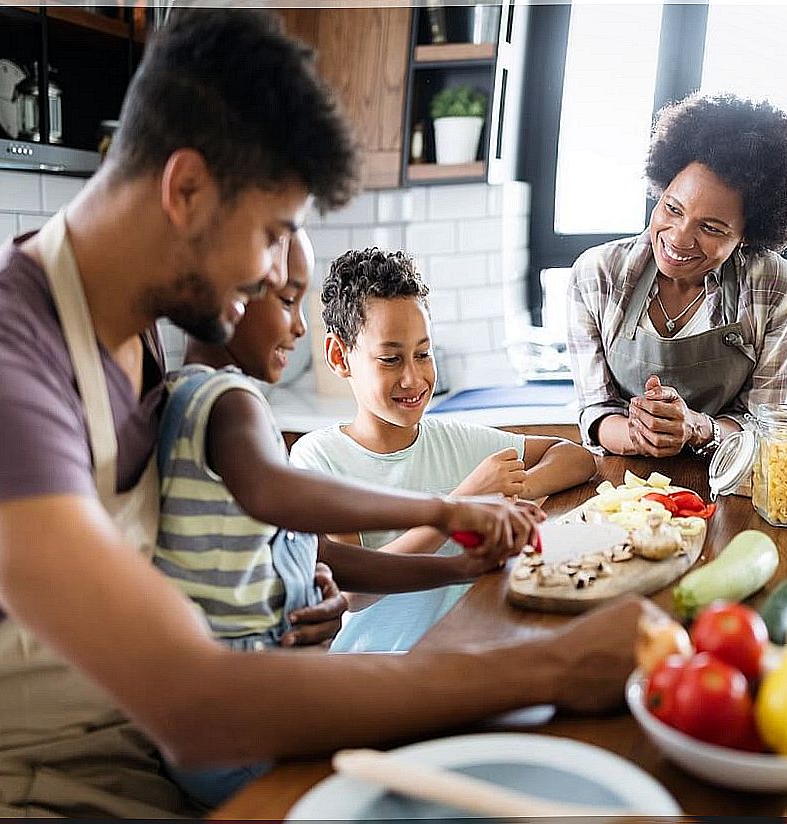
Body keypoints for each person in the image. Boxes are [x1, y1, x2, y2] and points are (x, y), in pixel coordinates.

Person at [0, 10, 647, 818]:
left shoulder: (136, 337)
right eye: (274, 230)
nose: (274, 269)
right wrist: (556, 666)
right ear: (185, 189)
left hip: (146, 740)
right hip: (33, 780)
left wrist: (299, 577)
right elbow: (194, 703)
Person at [154, 231, 544, 807]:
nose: (299, 326)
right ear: (227, 296)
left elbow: (338, 561)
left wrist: (460, 568)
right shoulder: (227, 401)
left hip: (242, 709)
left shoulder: (204, 397)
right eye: (286, 301)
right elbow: (280, 491)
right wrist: (444, 508)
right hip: (246, 715)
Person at [291, 248, 598, 652]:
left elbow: (575, 458)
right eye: (390, 359)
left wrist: (509, 493)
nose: (414, 377)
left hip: (468, 652)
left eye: (423, 354)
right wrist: (462, 504)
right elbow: (354, 592)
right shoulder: (318, 458)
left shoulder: (453, 439)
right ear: (339, 356)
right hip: (376, 672)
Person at [566, 93, 787, 458]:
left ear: (747, 236)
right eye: (672, 208)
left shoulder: (773, 285)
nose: (678, 238)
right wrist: (641, 435)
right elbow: (596, 410)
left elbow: (762, 421)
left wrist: (697, 429)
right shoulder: (597, 274)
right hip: (622, 491)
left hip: (727, 481)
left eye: (711, 228)